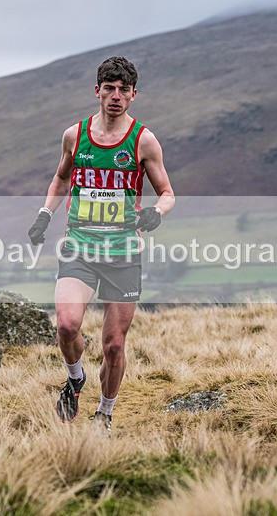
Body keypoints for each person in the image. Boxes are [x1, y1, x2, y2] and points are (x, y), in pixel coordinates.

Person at [28, 56, 175, 435]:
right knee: (66, 325)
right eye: (109, 88)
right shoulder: (74, 136)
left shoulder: (143, 140)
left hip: (123, 254)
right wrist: (44, 214)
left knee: (113, 346)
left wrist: (156, 213)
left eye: (123, 90)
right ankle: (75, 378)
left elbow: (167, 193)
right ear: (97, 91)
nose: (116, 96)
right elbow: (61, 179)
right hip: (79, 246)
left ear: (134, 95)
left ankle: (104, 414)